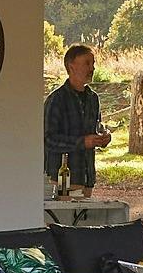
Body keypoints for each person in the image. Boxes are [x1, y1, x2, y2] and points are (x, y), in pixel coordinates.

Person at [42, 44, 108, 197]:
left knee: (86, 220)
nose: (92, 68)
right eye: (87, 63)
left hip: (86, 178)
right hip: (60, 180)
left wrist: (103, 138)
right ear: (71, 66)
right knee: (61, 220)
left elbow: (96, 128)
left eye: (93, 63)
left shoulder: (93, 99)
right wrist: (82, 142)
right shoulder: (56, 100)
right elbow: (48, 140)